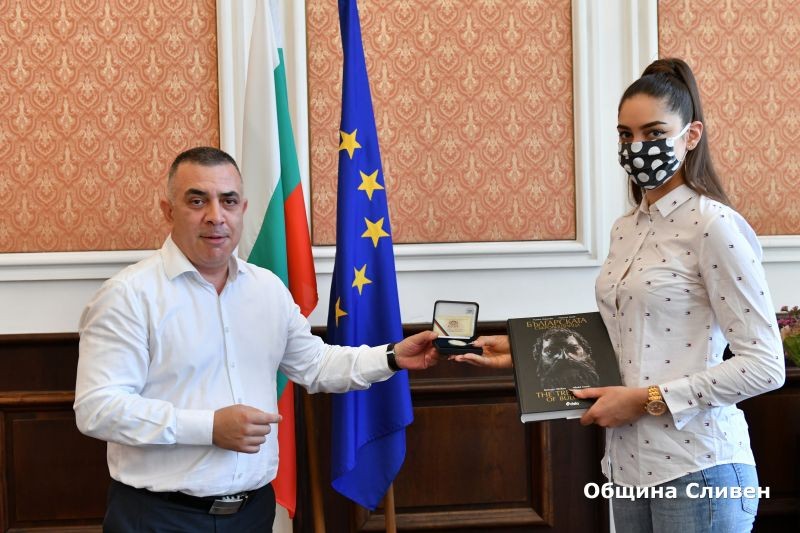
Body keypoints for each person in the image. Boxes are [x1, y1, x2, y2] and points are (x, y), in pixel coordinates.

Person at [452, 58, 785, 532]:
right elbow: (625, 336)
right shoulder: (625, 229)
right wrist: (522, 352)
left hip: (700, 469)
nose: (637, 147)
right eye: (626, 135)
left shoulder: (715, 226)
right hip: (627, 469)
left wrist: (647, 400)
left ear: (691, 135)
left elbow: (765, 366)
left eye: (654, 133)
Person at [74, 146, 439, 532]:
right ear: (168, 211)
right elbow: (98, 409)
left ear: (243, 209)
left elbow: (316, 365)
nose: (216, 216)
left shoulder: (267, 289)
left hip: (252, 514)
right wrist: (209, 427)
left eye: (228, 201)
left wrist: (392, 356)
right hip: (159, 518)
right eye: (197, 201)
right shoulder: (128, 296)